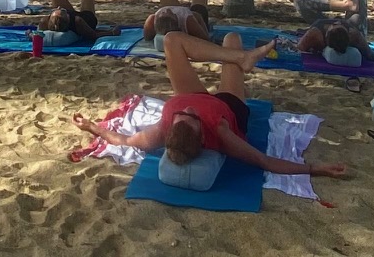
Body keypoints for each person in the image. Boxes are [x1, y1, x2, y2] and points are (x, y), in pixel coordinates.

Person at [73, 30, 351, 192]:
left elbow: (124, 140)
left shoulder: (166, 126)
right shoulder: (221, 132)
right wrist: (315, 169)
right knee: (232, 37)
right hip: (228, 105)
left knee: (171, 40)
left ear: (170, 128)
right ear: (202, 135)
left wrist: (93, 127)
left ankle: (241, 57)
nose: (187, 110)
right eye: (192, 117)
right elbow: (265, 162)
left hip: (192, 93)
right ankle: (238, 55)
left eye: (181, 116)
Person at [42, 0, 118, 44]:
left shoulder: (44, 21)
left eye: (55, 10)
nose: (59, 7)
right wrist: (112, 32)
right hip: (87, 19)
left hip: (63, 19)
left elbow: (37, 35)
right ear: (68, 17)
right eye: (63, 10)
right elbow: (93, 35)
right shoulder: (78, 21)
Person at [142, 0, 219, 42]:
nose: (167, 10)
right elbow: (205, 39)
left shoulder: (152, 19)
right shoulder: (188, 21)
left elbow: (147, 39)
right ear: (177, 18)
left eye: (163, 12)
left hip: (174, 19)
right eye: (169, 12)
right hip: (196, 19)